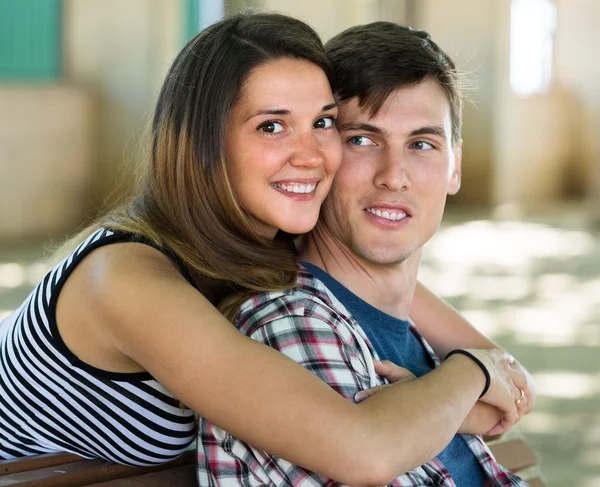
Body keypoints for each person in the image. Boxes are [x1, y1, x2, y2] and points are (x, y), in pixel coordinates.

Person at [0, 11, 529, 485]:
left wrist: (452, 388)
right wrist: (466, 375)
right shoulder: (125, 279)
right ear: (205, 142)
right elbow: (363, 449)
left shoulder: (272, 240)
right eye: (273, 126)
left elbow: (508, 385)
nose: (312, 155)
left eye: (322, 123)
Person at [197, 21, 534, 487]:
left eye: (421, 144)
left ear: (454, 165)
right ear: (322, 157)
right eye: (362, 140)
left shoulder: (413, 333)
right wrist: (471, 372)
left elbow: (513, 387)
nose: (393, 176)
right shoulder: (292, 328)